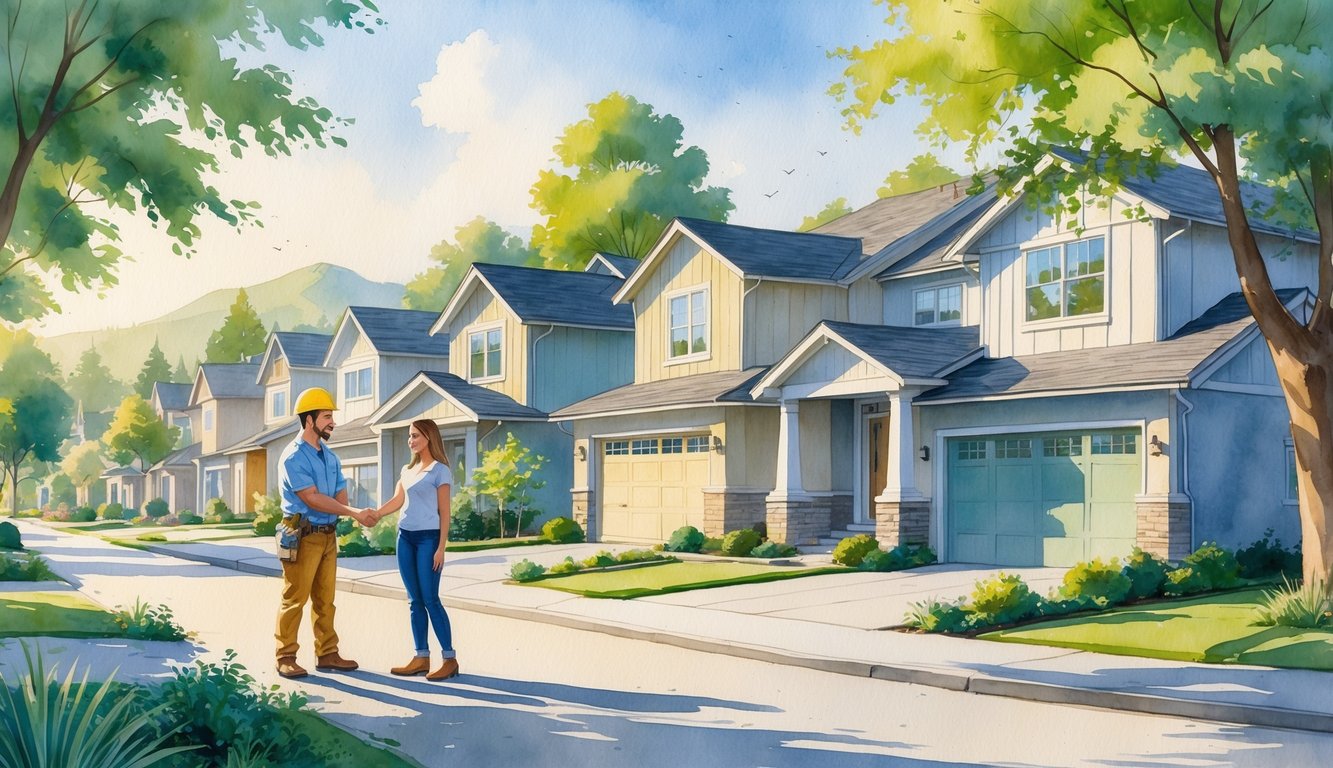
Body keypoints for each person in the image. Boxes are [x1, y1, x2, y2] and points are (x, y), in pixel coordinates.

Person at [274, 387, 374, 679]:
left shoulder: (331, 456)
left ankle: (327, 653)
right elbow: (313, 498)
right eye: (327, 416)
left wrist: (355, 511)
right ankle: (285, 655)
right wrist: (355, 512)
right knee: (295, 598)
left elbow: (339, 495)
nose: (333, 422)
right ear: (309, 420)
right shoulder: (293, 457)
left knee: (325, 599)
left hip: (328, 535)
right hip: (302, 535)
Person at [369, 418, 459, 681]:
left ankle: (449, 659)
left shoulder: (440, 471)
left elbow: (445, 512)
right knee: (414, 601)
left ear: (429, 437)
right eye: (409, 436)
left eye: (416, 436)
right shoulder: (407, 471)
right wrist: (375, 514)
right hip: (405, 538)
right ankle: (421, 657)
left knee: (431, 599)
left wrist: (441, 548)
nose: (411, 441)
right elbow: (397, 501)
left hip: (428, 539)